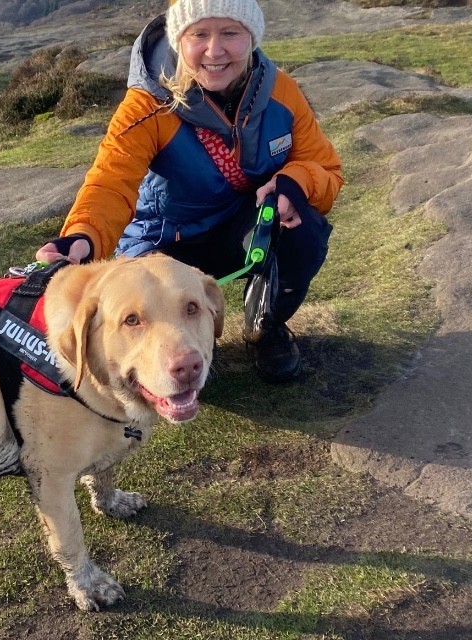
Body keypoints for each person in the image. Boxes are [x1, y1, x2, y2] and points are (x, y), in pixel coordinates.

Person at [37, 0, 343, 383]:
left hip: (239, 230)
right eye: (199, 34)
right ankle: (172, 341)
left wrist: (296, 181)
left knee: (304, 229)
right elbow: (111, 181)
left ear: (251, 37)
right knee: (177, 373)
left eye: (230, 32)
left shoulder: (281, 91)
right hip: (165, 245)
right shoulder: (147, 104)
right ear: (178, 39)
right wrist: (83, 236)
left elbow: (325, 167)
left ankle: (265, 327)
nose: (214, 51)